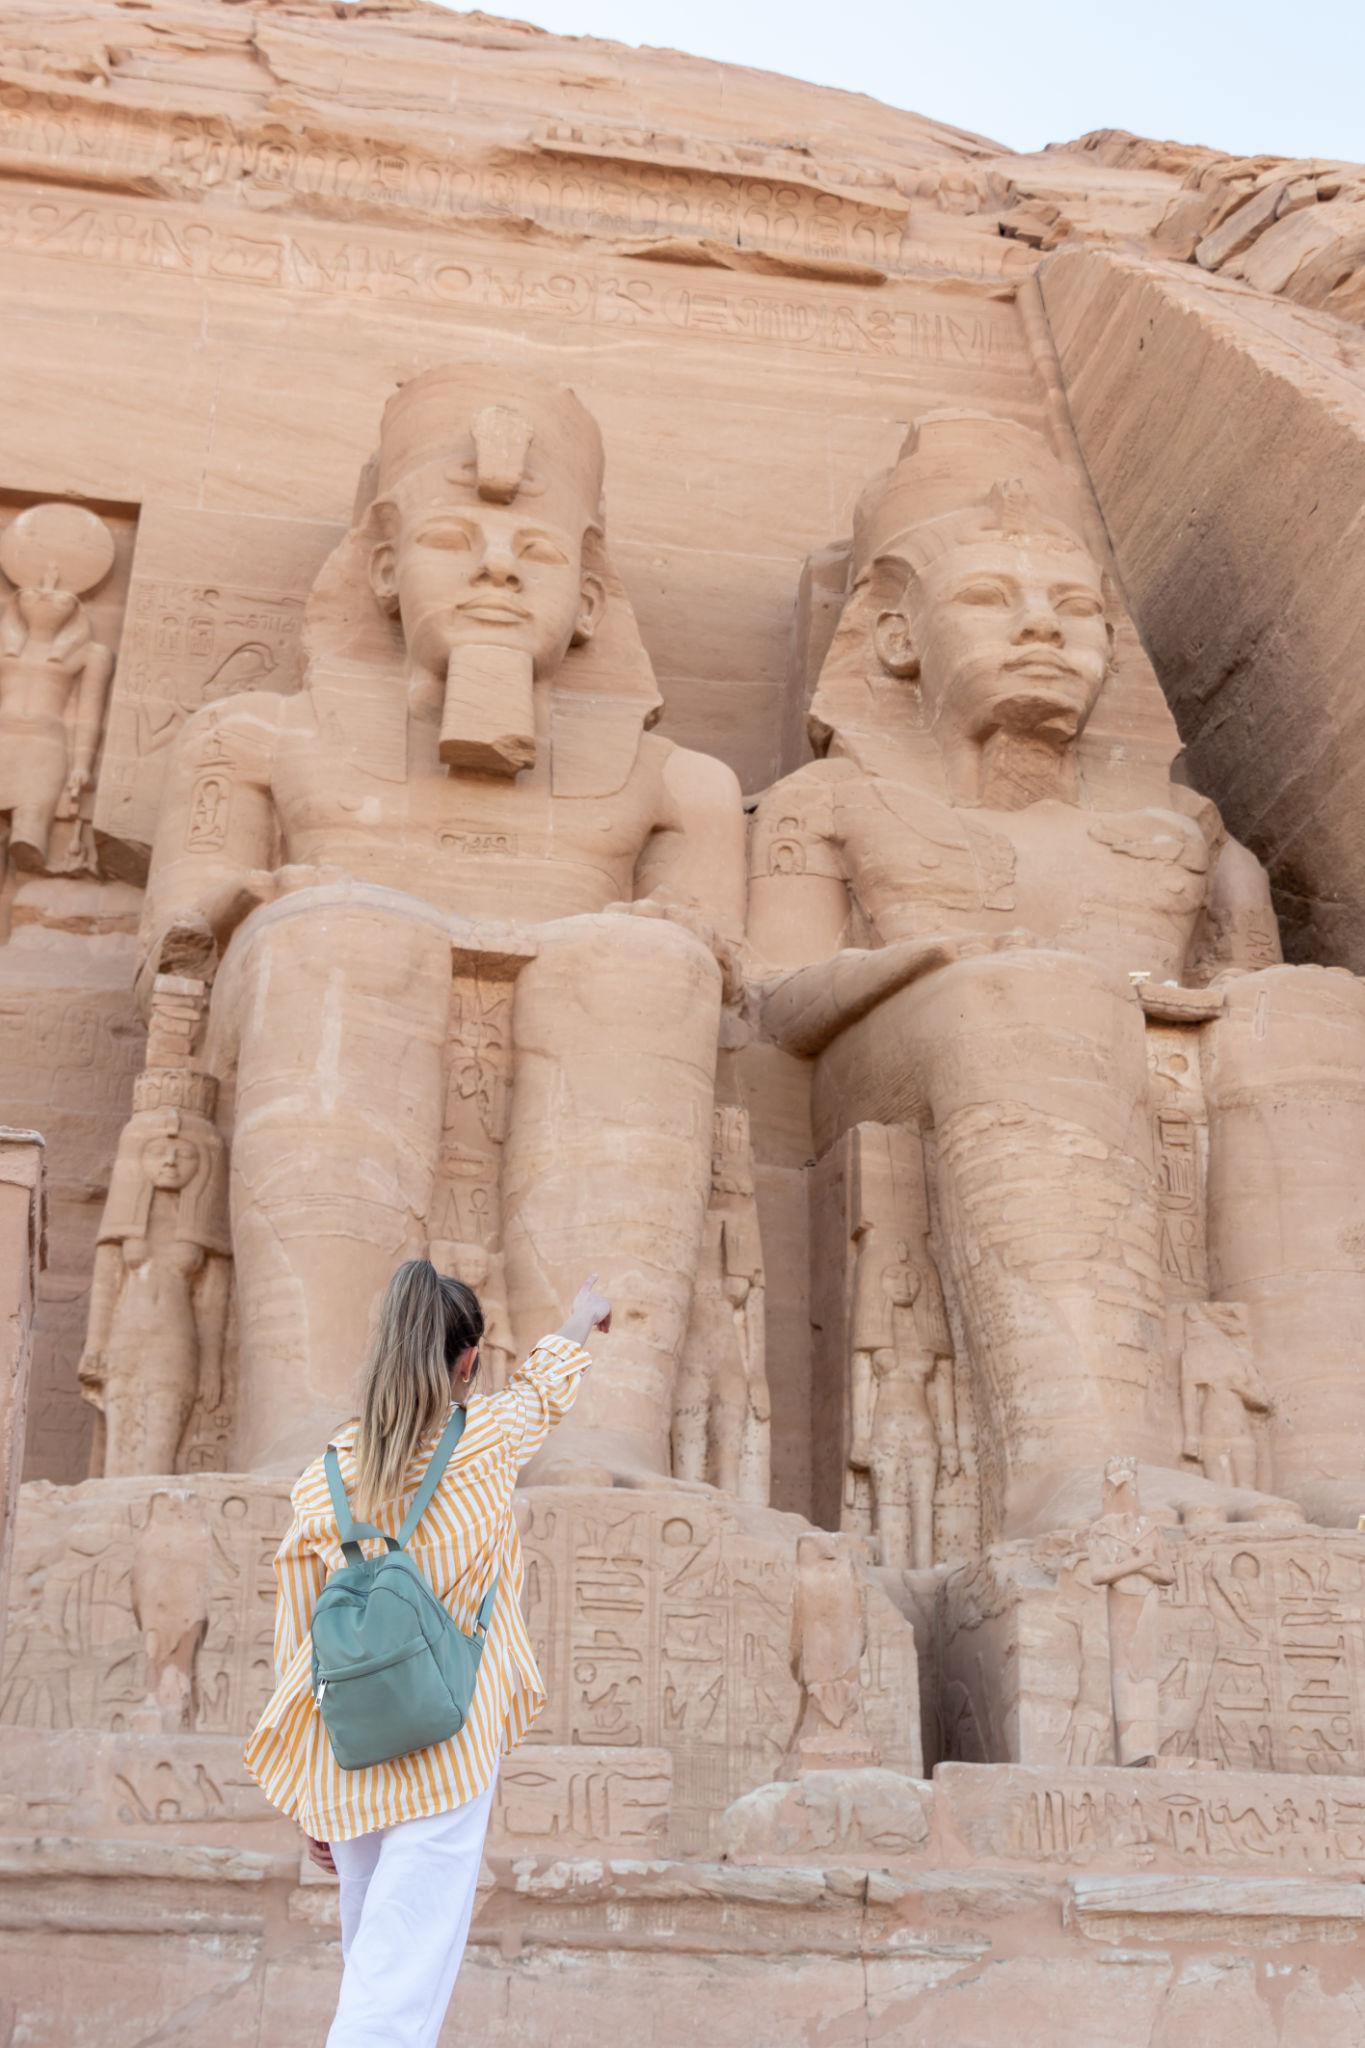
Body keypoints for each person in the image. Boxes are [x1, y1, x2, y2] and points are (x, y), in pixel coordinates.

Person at [244, 1259, 611, 2046]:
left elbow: (299, 1637)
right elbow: (546, 1387)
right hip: (448, 1737)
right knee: (399, 1977)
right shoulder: (485, 1442)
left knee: (373, 1960)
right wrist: (582, 1316)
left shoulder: (324, 1478)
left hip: (351, 1750)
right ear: (468, 1362)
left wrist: (309, 1785)